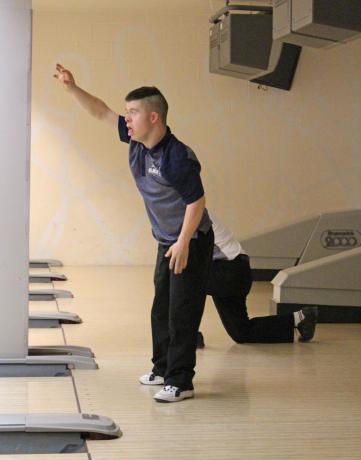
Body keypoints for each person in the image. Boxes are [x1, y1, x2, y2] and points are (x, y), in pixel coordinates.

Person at [54, 64, 214, 403]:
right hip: (167, 239)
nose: (126, 118)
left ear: (154, 117)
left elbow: (196, 201)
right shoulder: (137, 141)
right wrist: (72, 88)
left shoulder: (176, 157)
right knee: (160, 308)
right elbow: (99, 111)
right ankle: (162, 367)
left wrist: (184, 242)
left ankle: (181, 381)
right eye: (126, 112)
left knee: (181, 311)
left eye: (133, 112)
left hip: (191, 240)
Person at [199, 212, 318, 346]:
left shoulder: (191, 213)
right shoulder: (185, 212)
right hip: (234, 269)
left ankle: (186, 336)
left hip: (228, 271)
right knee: (241, 332)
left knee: (182, 277)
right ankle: (300, 318)